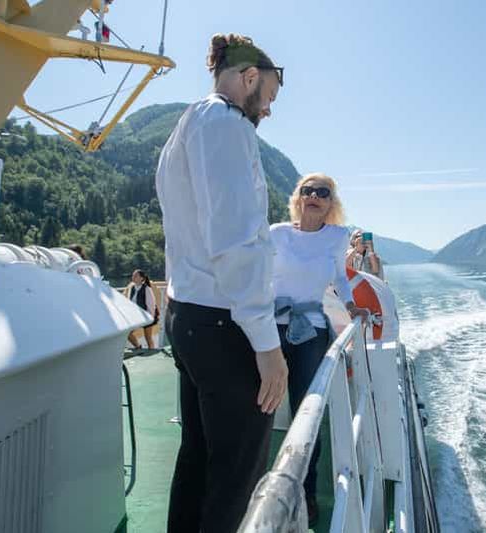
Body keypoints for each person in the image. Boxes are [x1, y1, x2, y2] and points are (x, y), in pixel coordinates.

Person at [155, 33, 288, 533]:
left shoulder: (188, 124)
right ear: (249, 77)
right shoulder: (227, 126)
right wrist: (267, 345)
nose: (267, 110)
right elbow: (236, 242)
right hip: (223, 325)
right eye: (268, 96)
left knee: (198, 458)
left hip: (188, 316)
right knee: (237, 475)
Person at [270, 173, 369, 526]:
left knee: (306, 410)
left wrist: (351, 305)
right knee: (259, 405)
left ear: (330, 203)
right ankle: (257, 484)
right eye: (307, 190)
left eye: (322, 192)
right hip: (271, 327)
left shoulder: (337, 236)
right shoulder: (276, 233)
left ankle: (306, 491)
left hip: (310, 331)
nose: (314, 196)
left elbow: (340, 277)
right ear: (298, 197)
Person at [127, 269, 158, 349]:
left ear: (141, 278)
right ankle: (138, 346)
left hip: (147, 316)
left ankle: (152, 352)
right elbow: (129, 303)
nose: (133, 277)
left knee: (148, 337)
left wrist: (150, 318)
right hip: (136, 316)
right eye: (133, 275)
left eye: (135, 276)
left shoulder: (147, 288)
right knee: (128, 333)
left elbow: (151, 305)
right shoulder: (132, 288)